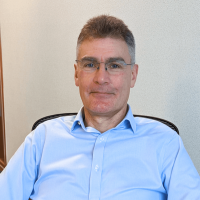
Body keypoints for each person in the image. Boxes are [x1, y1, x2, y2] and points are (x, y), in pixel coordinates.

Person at [0, 15, 200, 200]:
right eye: (90, 64)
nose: (101, 78)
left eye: (114, 66)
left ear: (133, 75)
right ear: (76, 74)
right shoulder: (41, 140)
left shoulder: (165, 143)